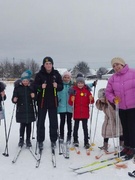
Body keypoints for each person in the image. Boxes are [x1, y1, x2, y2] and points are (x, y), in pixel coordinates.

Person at [105, 57, 135, 159]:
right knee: (125, 128)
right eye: (113, 66)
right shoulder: (113, 78)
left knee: (132, 128)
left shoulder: (133, 73)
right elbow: (108, 92)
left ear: (122, 64)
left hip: (133, 107)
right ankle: (126, 147)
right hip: (121, 107)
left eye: (117, 64)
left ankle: (133, 148)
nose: (116, 67)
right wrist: (113, 99)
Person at [33, 57, 63, 150]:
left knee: (53, 122)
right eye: (46, 64)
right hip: (42, 102)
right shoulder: (39, 75)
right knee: (41, 122)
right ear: (44, 65)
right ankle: (40, 140)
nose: (48, 65)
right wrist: (40, 87)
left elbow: (61, 86)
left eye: (50, 63)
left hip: (53, 102)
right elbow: (34, 87)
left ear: (52, 64)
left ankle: (53, 140)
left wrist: (57, 86)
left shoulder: (56, 74)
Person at [68, 76, 94, 149]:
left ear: (84, 83)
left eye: (82, 83)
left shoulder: (87, 91)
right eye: (79, 83)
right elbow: (70, 103)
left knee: (85, 128)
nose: (80, 84)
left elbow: (91, 102)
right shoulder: (74, 91)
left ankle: (86, 142)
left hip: (85, 113)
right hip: (76, 112)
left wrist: (91, 98)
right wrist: (71, 98)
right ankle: (75, 140)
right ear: (76, 83)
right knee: (76, 127)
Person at [12, 70, 36, 147]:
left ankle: (28, 140)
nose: (25, 82)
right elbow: (14, 98)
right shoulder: (17, 88)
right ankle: (21, 139)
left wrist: (34, 96)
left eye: (27, 81)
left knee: (29, 125)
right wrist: (14, 99)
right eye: (24, 81)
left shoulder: (31, 88)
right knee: (22, 125)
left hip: (29, 109)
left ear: (29, 81)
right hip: (21, 109)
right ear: (21, 81)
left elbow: (35, 98)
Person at [57, 71, 73, 144]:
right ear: (62, 78)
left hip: (70, 107)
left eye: (68, 77)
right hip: (62, 107)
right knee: (62, 122)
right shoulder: (60, 85)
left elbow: (82, 85)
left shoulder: (72, 85)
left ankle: (69, 136)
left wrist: (92, 84)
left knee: (69, 122)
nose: (66, 79)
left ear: (70, 78)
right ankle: (61, 136)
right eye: (65, 77)